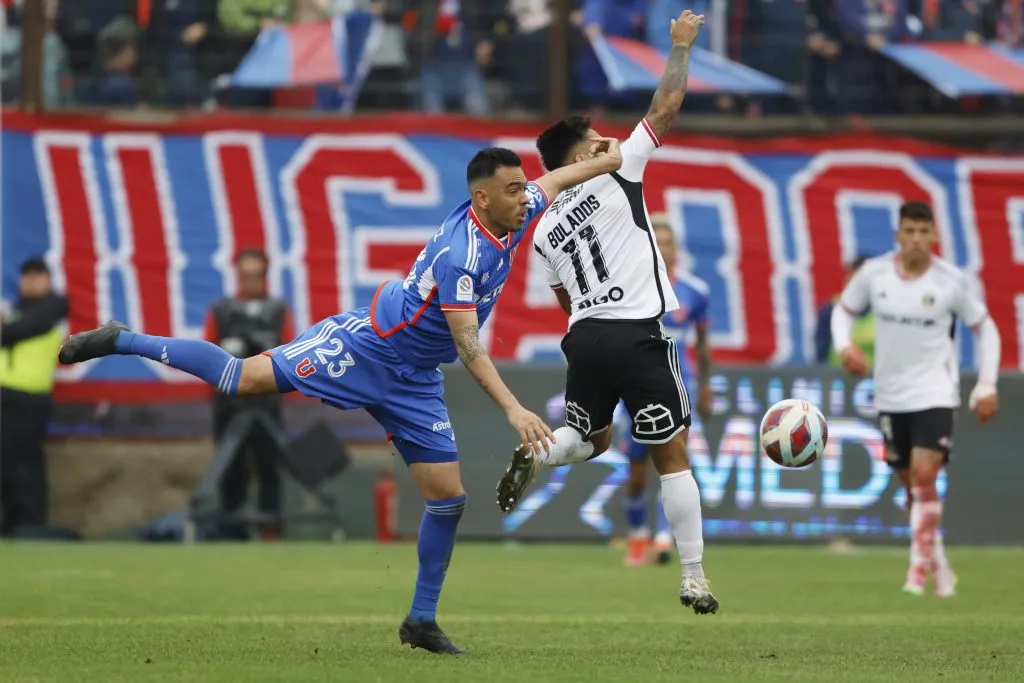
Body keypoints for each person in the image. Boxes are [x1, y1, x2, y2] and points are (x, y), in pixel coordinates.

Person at [58, 141, 622, 654]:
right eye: (513, 188)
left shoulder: (514, 213)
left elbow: (559, 181)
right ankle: (122, 338)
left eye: (524, 186)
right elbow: (470, 346)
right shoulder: (461, 256)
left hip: (416, 376)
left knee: (448, 499)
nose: (526, 196)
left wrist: (610, 161)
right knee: (240, 378)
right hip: (367, 348)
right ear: (482, 196)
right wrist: (513, 409)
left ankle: (421, 621)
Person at [494, 9, 719, 615]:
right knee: (672, 457)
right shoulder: (622, 170)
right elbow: (666, 107)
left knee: (592, 439)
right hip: (639, 335)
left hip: (585, 338)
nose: (607, 141)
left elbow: (566, 301)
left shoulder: (542, 230)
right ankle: (694, 576)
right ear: (588, 152)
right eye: (596, 141)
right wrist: (679, 48)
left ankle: (541, 452)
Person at [831, 200, 1000, 597]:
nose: (917, 240)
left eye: (924, 232)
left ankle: (916, 574)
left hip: (935, 392)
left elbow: (986, 328)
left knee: (926, 480)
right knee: (912, 488)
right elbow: (843, 311)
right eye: (910, 232)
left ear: (935, 236)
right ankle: (940, 566)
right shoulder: (874, 275)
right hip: (890, 396)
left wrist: (987, 383)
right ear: (898, 235)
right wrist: (844, 346)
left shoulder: (950, 282)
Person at [618, 216, 712, 567]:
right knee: (638, 474)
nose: (664, 248)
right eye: (657, 241)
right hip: (637, 389)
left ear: (676, 249)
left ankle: (662, 540)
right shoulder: (629, 288)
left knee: (673, 462)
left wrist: (705, 387)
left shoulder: (694, 291)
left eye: (669, 242)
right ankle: (638, 534)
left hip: (678, 388)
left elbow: (703, 346)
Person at [204, 248, 295, 539]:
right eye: (245, 275)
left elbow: (291, 352)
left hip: (268, 401)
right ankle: (232, 531)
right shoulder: (221, 310)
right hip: (229, 404)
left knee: (270, 467)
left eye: (256, 275)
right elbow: (207, 352)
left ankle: (271, 532)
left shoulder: (278, 310)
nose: (250, 281)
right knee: (230, 468)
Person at [0, 257, 68, 536]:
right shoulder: (15, 308)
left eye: (38, 275)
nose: (30, 280)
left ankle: (29, 524)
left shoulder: (53, 307)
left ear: (49, 280)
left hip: (29, 397)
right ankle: (12, 522)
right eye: (26, 275)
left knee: (24, 463)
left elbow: (18, 331)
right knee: (6, 462)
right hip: (5, 396)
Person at [814, 255, 874, 366]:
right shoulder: (830, 311)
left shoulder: (885, 310)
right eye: (852, 276)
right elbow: (821, 354)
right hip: (838, 379)